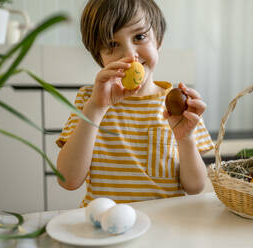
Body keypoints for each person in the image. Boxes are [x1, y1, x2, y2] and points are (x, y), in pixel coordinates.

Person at [56, 0, 214, 206]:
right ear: (99, 55)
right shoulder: (89, 100)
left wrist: (185, 139)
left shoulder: (179, 106)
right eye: (113, 44)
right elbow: (68, 180)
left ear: (159, 40)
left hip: (165, 227)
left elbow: (195, 187)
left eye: (140, 37)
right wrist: (96, 108)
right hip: (104, 226)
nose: (130, 55)